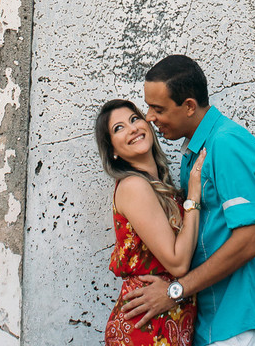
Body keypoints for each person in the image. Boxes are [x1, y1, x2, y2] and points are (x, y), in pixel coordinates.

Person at [122, 55, 255, 346]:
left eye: (158, 109)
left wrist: (173, 291)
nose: (149, 117)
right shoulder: (195, 151)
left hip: (239, 323)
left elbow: (250, 240)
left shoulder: (227, 143)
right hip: (212, 321)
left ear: (190, 106)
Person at [95, 98, 207, 346]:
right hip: (147, 329)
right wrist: (194, 197)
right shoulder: (134, 187)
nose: (133, 128)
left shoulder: (158, 187)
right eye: (119, 128)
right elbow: (177, 263)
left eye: (135, 119)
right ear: (112, 150)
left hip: (165, 321)